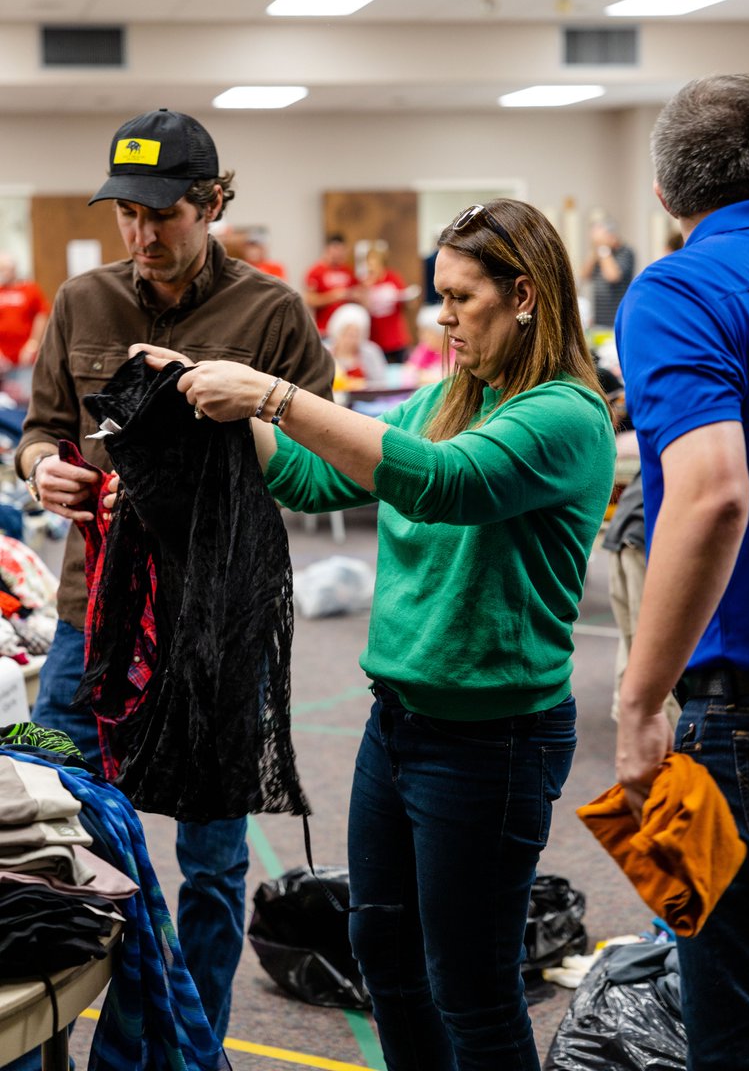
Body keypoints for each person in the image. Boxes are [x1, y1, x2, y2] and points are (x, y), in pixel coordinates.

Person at [135, 197, 616, 1070]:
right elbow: (319, 477)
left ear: (525, 298)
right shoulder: (445, 396)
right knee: (388, 963)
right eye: (440, 295)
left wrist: (275, 394)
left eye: (462, 298)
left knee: (471, 989)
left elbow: (443, 482)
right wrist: (199, 393)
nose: (441, 316)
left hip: (492, 744)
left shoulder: (565, 417)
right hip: (397, 725)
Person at [13, 107, 334, 1052]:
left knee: (211, 861)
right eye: (128, 216)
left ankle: (189, 1048)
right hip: (88, 620)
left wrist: (200, 458)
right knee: (54, 842)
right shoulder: (82, 302)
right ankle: (52, 1047)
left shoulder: (271, 313)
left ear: (213, 203)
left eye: (166, 216)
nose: (145, 236)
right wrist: (42, 471)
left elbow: (318, 465)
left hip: (217, 625)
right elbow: (39, 432)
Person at [614, 73, 749, 1070]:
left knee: (746, 1036)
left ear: (662, 195)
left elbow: (709, 493)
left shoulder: (678, 289)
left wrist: (639, 700)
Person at [362, 245, 415, 362]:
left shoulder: (393, 278)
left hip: (396, 336)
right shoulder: (365, 282)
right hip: (376, 337)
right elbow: (363, 307)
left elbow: (407, 303)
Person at [580, 217, 635, 327]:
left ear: (611, 235)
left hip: (617, 318)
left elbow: (612, 276)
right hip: (599, 319)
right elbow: (583, 275)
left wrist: (603, 248)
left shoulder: (625, 252)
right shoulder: (599, 254)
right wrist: (595, 252)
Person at [0, 252, 49, 373]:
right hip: (2, 358)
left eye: (4, 269)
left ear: (14, 269)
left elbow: (42, 315)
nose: (2, 273)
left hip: (25, 356)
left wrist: (33, 345)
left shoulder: (30, 289)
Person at [303, 232, 360, 335]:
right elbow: (309, 300)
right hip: (325, 330)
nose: (338, 253)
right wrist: (333, 296)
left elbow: (359, 294)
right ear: (327, 249)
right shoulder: (315, 272)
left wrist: (352, 295)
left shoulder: (349, 271)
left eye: (341, 250)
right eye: (335, 249)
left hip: (346, 331)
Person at [325, 301, 388, 384]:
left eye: (355, 335)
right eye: (346, 334)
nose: (350, 339)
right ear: (337, 332)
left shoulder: (371, 352)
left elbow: (380, 382)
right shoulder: (325, 353)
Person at [406, 302, 453, 381]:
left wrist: (422, 375)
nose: (420, 336)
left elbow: (449, 378)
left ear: (440, 333)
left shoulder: (456, 349)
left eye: (425, 332)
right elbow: (409, 372)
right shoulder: (425, 347)